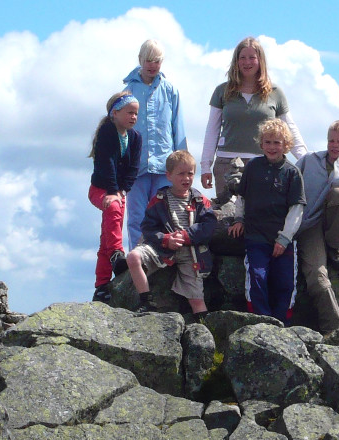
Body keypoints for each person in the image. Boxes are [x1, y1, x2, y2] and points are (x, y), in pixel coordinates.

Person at [200, 36, 308, 202]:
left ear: (260, 61)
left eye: (252, 57)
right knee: (228, 219)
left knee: (258, 214)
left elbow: (290, 128)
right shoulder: (222, 91)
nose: (247, 62)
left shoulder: (275, 93)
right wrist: (205, 165)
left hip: (262, 163)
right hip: (227, 164)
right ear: (236, 61)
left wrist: (306, 162)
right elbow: (212, 131)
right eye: (242, 57)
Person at [227, 119, 305, 323]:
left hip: (283, 240)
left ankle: (281, 323)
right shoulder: (252, 167)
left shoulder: (292, 172)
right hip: (255, 237)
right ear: (261, 144)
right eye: (268, 142)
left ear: (286, 145)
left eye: (277, 143)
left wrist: (284, 238)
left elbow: (296, 209)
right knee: (257, 277)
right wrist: (238, 220)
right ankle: (261, 321)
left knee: (285, 283)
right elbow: (241, 197)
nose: (272, 147)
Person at [125, 150, 217, 321]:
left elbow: (209, 225)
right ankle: (146, 301)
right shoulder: (159, 200)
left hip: (191, 252)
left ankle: (204, 330)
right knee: (133, 257)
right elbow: (148, 227)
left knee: (197, 299)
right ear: (168, 175)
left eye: (190, 173)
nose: (186, 178)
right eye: (181, 173)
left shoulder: (200, 200)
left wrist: (186, 236)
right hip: (162, 247)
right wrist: (166, 239)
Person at [295, 120, 339, 334]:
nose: (334, 145)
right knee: (317, 276)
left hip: (333, 225)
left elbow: (338, 185)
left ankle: (335, 248)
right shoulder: (308, 161)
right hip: (309, 225)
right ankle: (335, 331)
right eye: (331, 140)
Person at [124, 39, 187, 250]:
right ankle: (138, 259)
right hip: (135, 166)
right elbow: (120, 130)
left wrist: (183, 164)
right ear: (140, 60)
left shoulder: (170, 90)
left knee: (165, 215)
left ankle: (164, 258)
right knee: (136, 217)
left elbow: (178, 127)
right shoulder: (128, 91)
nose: (152, 65)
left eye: (157, 61)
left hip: (164, 167)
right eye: (148, 60)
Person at [88, 91, 141, 303]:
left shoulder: (136, 137)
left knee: (105, 239)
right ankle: (117, 254)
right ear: (115, 113)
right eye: (129, 112)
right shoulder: (107, 132)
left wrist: (122, 191)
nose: (134, 117)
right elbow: (106, 163)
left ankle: (101, 285)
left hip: (118, 192)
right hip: (101, 189)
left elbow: (134, 168)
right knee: (112, 210)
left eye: (136, 114)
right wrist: (112, 192)